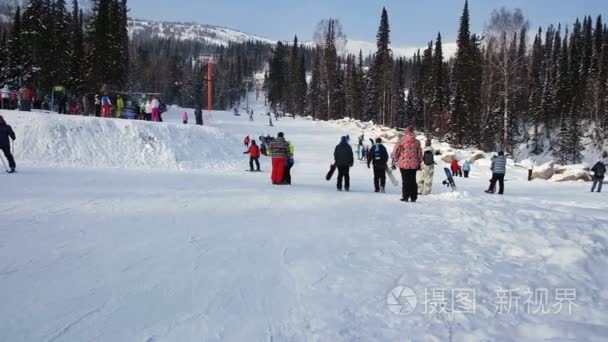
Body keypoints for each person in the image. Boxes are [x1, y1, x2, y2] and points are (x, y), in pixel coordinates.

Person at [392, 126, 422, 202]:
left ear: (406, 131)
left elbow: (396, 150)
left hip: (403, 163)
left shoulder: (401, 140)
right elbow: (420, 153)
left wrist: (395, 158)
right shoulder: (417, 142)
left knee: (405, 180)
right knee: (413, 180)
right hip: (414, 163)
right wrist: (419, 162)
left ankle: (405, 196)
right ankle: (413, 197)